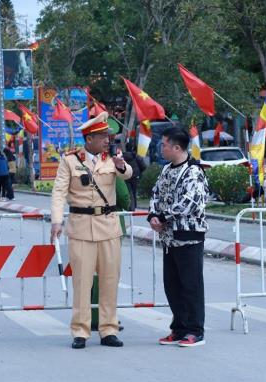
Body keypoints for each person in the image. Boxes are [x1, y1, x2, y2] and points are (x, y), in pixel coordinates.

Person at [50, 111, 132, 349]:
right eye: (102, 136)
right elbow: (59, 192)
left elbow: (128, 174)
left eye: (108, 136)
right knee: (82, 282)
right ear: (89, 139)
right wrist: (56, 221)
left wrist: (121, 165)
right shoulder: (70, 160)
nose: (107, 140)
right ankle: (80, 331)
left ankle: (109, 329)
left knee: (109, 281)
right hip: (81, 228)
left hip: (108, 227)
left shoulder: (112, 159)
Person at [148, 125, 209, 347]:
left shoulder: (193, 172)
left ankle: (195, 330)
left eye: (164, 145)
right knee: (172, 285)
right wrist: (153, 215)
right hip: (169, 238)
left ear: (176, 147)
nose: (161, 148)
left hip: (189, 237)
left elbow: (189, 202)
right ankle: (179, 328)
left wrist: (163, 216)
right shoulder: (166, 169)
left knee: (191, 285)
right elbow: (156, 194)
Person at [122, 142, 147, 210]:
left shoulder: (122, 156)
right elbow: (143, 166)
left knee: (128, 192)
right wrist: (139, 173)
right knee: (134, 192)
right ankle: (134, 207)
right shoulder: (135, 156)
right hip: (135, 176)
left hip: (126, 176)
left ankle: (130, 206)